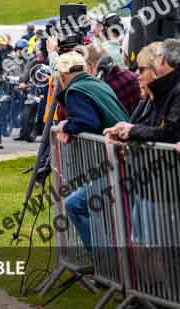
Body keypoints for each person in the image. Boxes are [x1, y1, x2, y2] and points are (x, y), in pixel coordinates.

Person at [52, 51, 129, 254]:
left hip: (110, 162)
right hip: (121, 158)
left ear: (62, 76)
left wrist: (67, 127)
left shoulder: (75, 91)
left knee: (80, 206)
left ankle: (104, 262)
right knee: (80, 205)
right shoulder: (98, 83)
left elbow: (88, 122)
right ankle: (109, 263)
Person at [104, 38, 180, 144]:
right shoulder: (155, 93)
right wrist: (122, 132)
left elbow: (173, 133)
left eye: (142, 69)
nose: (137, 73)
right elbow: (147, 128)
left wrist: (131, 131)